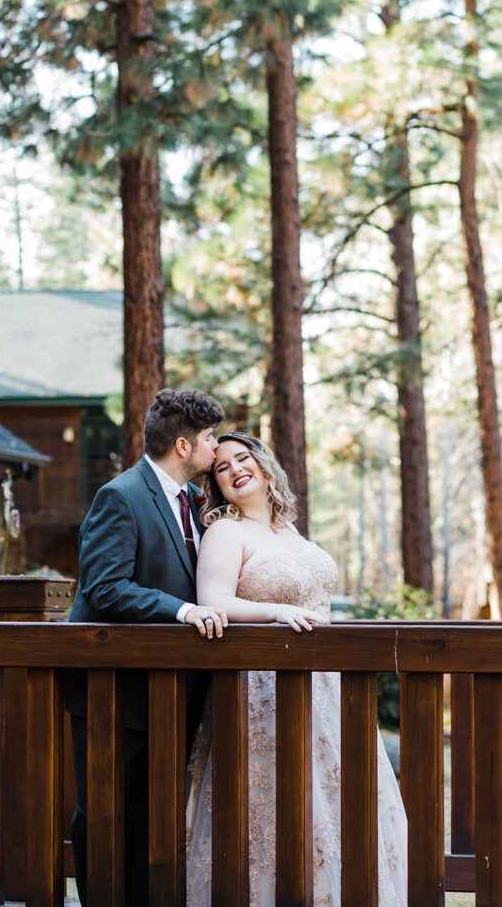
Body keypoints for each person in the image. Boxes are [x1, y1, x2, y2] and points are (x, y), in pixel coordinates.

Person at [186, 432, 408, 907]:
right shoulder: (226, 531)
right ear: (217, 484)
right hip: (264, 688)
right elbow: (214, 601)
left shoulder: (289, 531)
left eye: (243, 459)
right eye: (222, 467)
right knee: (277, 807)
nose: (234, 470)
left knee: (340, 804)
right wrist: (274, 613)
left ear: (264, 466)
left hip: (327, 690)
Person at [64, 388, 228, 907]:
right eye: (209, 439)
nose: (216, 447)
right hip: (112, 691)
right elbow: (104, 587)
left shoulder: (196, 503)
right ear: (183, 446)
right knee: (105, 812)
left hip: (170, 691)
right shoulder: (122, 495)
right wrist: (183, 612)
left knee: (150, 814)